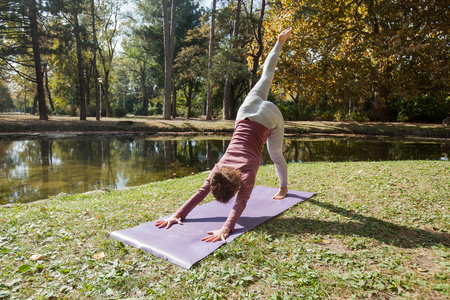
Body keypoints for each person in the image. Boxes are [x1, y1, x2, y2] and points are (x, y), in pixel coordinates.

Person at [155, 28, 293, 243]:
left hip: (267, 116)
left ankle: (284, 187)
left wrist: (226, 229)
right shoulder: (218, 170)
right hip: (245, 112)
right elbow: (202, 192)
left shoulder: (245, 174)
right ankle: (279, 42)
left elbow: (241, 203)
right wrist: (177, 215)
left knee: (275, 153)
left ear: (237, 186)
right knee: (267, 75)